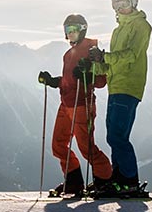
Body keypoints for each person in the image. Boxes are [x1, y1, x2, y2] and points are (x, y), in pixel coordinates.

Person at [38, 14, 114, 198]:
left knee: (86, 148)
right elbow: (68, 81)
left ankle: (106, 180)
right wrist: (54, 81)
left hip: (82, 104)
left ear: (83, 30)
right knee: (58, 144)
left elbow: (102, 81)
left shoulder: (92, 50)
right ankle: (73, 182)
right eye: (67, 30)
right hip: (66, 104)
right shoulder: (68, 55)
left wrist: (88, 72)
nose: (70, 34)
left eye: (73, 30)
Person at [87, 0, 151, 197]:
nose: (121, 8)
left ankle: (130, 181)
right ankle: (119, 179)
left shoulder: (141, 25)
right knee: (112, 136)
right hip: (116, 87)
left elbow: (132, 54)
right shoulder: (117, 31)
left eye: (125, 3)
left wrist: (105, 57)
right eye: (117, 5)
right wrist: (93, 66)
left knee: (118, 136)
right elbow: (112, 64)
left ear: (134, 3)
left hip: (129, 86)